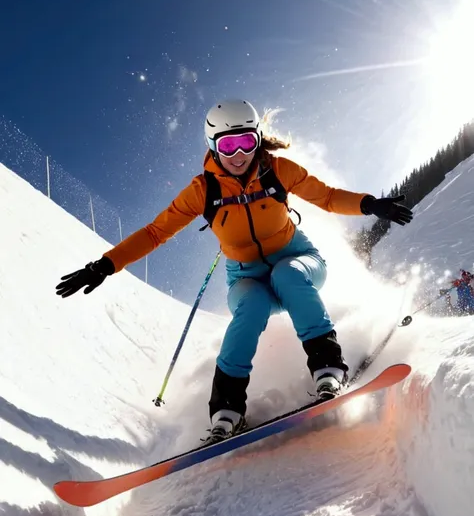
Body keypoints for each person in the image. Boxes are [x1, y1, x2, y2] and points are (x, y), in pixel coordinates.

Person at [56, 99, 413, 443]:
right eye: (228, 146)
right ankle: (226, 411)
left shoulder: (278, 170)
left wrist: (369, 204)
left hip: (299, 258)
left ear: (257, 139)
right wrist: (105, 264)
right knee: (250, 307)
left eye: (246, 142)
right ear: (213, 147)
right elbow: (155, 232)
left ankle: (328, 369)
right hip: (245, 276)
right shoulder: (202, 190)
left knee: (287, 276)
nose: (239, 155)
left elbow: (328, 196)